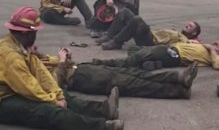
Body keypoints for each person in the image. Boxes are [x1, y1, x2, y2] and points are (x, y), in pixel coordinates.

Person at [0, 6, 124, 130]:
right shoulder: (10, 56)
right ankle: (102, 127)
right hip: (4, 100)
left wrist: (58, 95)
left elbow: (41, 72)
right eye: (35, 32)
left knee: (63, 96)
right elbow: (27, 86)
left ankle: (105, 110)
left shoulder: (19, 45)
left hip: (14, 91)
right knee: (48, 111)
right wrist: (53, 101)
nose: (35, 36)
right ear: (26, 33)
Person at [33, 46, 198, 99]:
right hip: (80, 79)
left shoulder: (36, 59)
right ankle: (179, 91)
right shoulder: (30, 73)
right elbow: (55, 83)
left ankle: (179, 76)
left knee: (135, 73)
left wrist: (65, 57)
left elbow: (55, 63)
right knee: (134, 85)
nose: (35, 48)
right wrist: (62, 61)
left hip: (83, 69)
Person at [95, 9, 202, 50]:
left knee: (137, 19)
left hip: (150, 42)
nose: (187, 25)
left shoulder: (183, 39)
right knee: (125, 12)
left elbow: (196, 45)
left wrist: (194, 42)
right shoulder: (178, 33)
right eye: (188, 24)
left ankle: (116, 42)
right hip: (149, 34)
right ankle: (109, 35)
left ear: (194, 32)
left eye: (190, 26)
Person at [92, 41, 219, 71]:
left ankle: (106, 63)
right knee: (136, 50)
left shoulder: (217, 56)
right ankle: (154, 63)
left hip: (175, 55)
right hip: (171, 50)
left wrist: (213, 50)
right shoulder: (207, 45)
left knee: (138, 56)